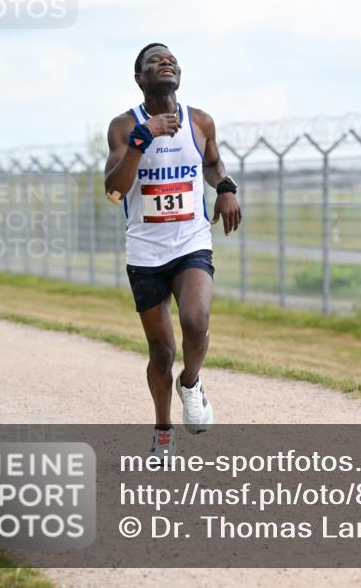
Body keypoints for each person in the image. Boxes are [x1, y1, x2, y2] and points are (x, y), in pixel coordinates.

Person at [104, 43, 241, 456]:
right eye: (155, 61)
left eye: (172, 60)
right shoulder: (124, 127)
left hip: (190, 241)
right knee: (161, 350)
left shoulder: (200, 121)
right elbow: (114, 191)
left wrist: (227, 188)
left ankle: (191, 382)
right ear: (140, 78)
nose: (166, 62)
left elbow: (212, 164)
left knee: (196, 321)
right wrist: (141, 141)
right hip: (146, 251)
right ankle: (163, 431)